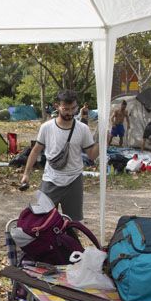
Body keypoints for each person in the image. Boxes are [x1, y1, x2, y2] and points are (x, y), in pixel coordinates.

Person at [18, 90, 100, 220]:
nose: (70, 112)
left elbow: (91, 155)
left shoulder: (82, 129)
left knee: (73, 223)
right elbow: (35, 150)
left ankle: (69, 241)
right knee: (44, 220)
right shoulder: (47, 127)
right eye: (66, 109)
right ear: (57, 106)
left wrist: (103, 142)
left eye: (73, 108)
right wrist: (26, 174)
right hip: (51, 179)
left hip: (74, 180)